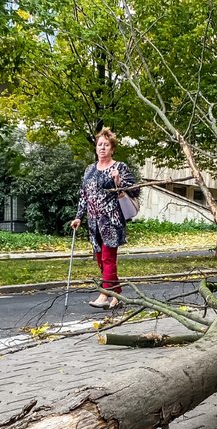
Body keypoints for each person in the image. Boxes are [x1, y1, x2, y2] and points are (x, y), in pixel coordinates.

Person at [70, 128, 140, 309]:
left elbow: (135, 190)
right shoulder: (89, 170)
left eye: (106, 145)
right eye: (100, 144)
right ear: (95, 147)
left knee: (108, 258)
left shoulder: (119, 167)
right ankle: (116, 295)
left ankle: (104, 294)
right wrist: (78, 217)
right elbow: (84, 195)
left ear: (112, 149)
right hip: (93, 222)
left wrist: (119, 182)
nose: (102, 148)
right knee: (100, 259)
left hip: (111, 221)